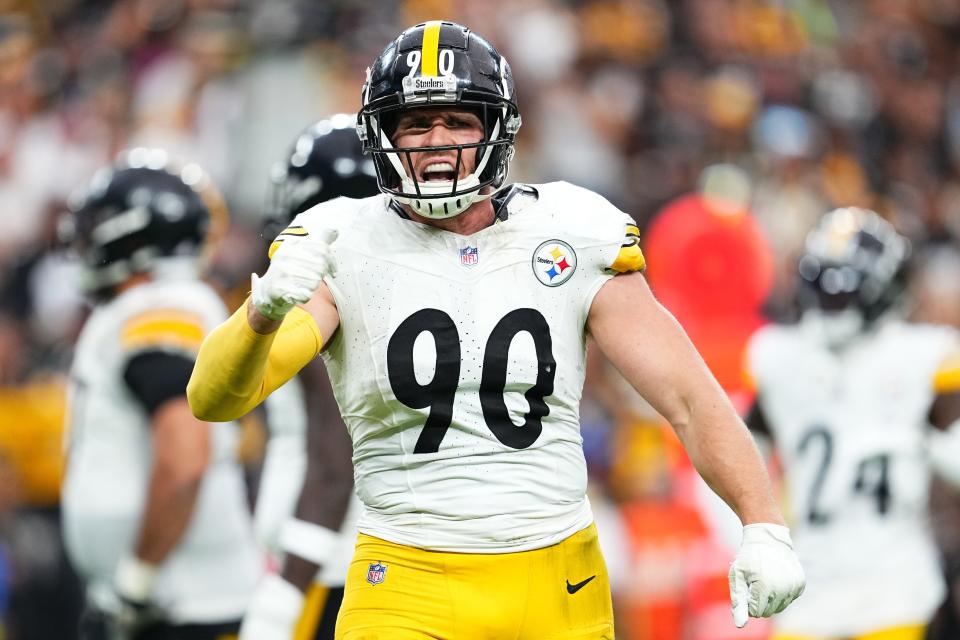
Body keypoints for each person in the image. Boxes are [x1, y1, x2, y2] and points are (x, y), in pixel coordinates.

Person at [188, 21, 805, 639]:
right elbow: (215, 400)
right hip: (405, 578)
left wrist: (762, 523)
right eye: (415, 123)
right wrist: (261, 313)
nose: (437, 141)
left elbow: (692, 400)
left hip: (558, 577)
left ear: (496, 130)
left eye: (458, 121)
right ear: (382, 135)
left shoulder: (573, 230)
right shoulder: (342, 241)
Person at [60, 149, 262, 640]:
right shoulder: (158, 304)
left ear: (133, 230)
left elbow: (185, 456)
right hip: (174, 603)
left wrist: (138, 579)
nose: (84, 240)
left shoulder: (161, 303)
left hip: (183, 607)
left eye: (98, 224)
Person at [744, 207, 960, 640]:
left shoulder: (776, 356)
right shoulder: (925, 356)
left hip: (838, 595)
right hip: (880, 588)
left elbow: (732, 458)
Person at [241, 116, 379, 640]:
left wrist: (287, 586)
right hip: (370, 557)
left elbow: (334, 447)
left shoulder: (325, 287)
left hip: (325, 566)